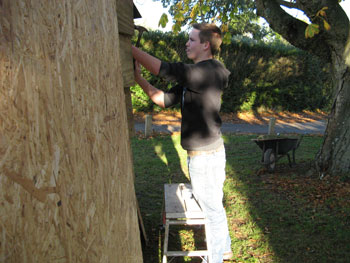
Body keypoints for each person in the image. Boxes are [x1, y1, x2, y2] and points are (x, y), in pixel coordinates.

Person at [132, 23, 233, 263]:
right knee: (213, 205)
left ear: (206, 45)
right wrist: (138, 79)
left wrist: (128, 47)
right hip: (201, 156)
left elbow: (165, 69)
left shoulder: (210, 71)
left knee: (212, 210)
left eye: (192, 40)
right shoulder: (196, 76)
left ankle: (216, 258)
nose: (187, 43)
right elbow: (164, 99)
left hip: (206, 157)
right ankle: (224, 249)